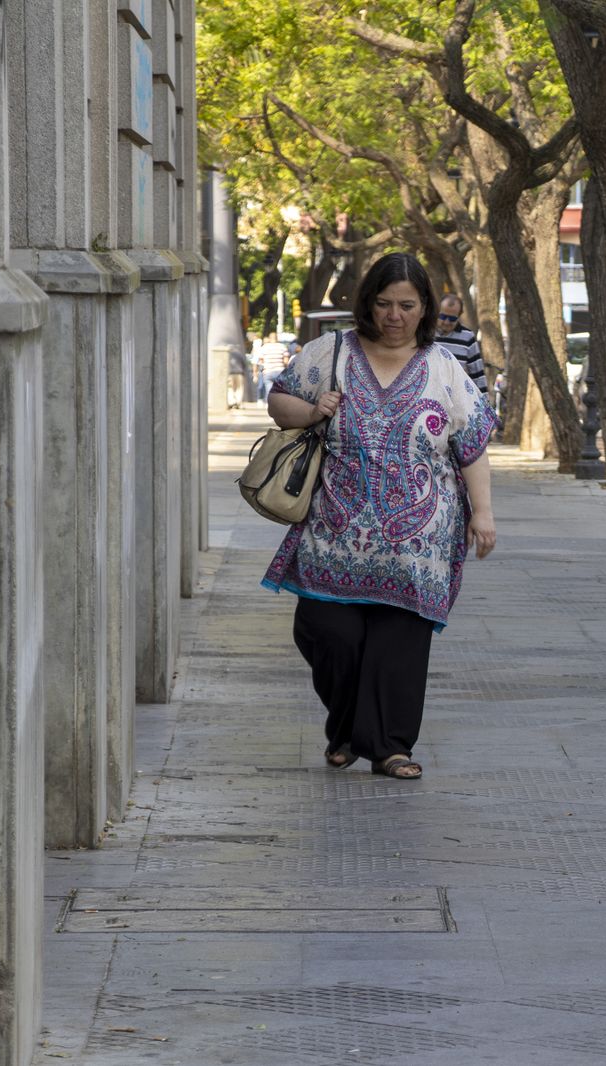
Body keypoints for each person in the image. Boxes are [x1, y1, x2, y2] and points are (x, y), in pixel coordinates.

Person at [262, 252, 500, 779]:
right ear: (368, 303)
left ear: (425, 309)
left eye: (407, 305)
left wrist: (482, 513)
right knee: (327, 631)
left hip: (420, 537)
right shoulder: (332, 352)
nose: (395, 315)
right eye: (385, 303)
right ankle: (346, 726)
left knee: (399, 643)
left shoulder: (443, 367)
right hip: (334, 529)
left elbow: (473, 443)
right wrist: (314, 410)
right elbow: (280, 403)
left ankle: (390, 746)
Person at [435, 293, 488, 394]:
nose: (446, 322)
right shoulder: (426, 333)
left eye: (452, 319)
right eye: (443, 316)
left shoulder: (467, 336)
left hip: (457, 396)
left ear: (459, 316)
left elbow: (477, 373)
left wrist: (485, 403)